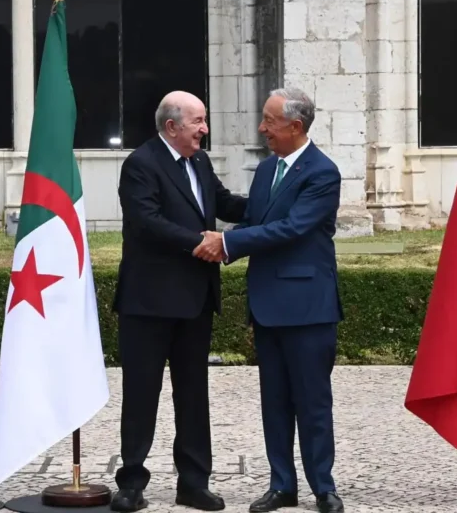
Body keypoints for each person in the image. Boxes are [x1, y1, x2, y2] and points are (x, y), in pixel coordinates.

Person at [193, 87, 344, 513]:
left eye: (269, 121)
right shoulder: (266, 170)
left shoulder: (323, 173)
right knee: (274, 403)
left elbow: (292, 228)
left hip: (308, 308)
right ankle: (282, 485)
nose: (262, 128)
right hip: (268, 306)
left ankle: (323, 487)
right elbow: (255, 217)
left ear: (295, 126)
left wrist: (227, 243)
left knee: (312, 403)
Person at [111, 90, 248, 512]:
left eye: (204, 120)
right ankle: (131, 482)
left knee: (193, 394)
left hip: (195, 300)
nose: (204, 129)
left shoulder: (200, 162)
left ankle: (193, 482)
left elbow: (223, 203)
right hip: (148, 302)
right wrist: (200, 242)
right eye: (198, 122)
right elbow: (147, 221)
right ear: (171, 126)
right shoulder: (141, 164)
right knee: (141, 394)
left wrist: (275, 204)